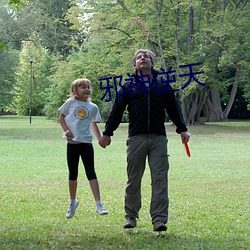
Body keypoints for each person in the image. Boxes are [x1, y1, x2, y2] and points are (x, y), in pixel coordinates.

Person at [99, 49, 190, 231]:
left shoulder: (163, 85)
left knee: (160, 179)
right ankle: (131, 216)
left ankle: (159, 219)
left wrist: (182, 130)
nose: (143, 59)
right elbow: (117, 111)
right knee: (134, 179)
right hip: (136, 139)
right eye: (139, 57)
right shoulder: (128, 86)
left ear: (151, 63)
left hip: (158, 139)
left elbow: (174, 109)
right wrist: (107, 133)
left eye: (146, 57)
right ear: (135, 64)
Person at [58, 78, 108, 219]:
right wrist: (66, 130)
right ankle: (73, 202)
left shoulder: (93, 107)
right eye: (83, 87)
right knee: (72, 174)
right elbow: (61, 116)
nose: (87, 89)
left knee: (91, 172)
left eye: (88, 87)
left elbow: (93, 124)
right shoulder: (70, 103)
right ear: (75, 91)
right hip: (72, 144)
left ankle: (99, 204)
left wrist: (99, 138)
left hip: (86, 144)